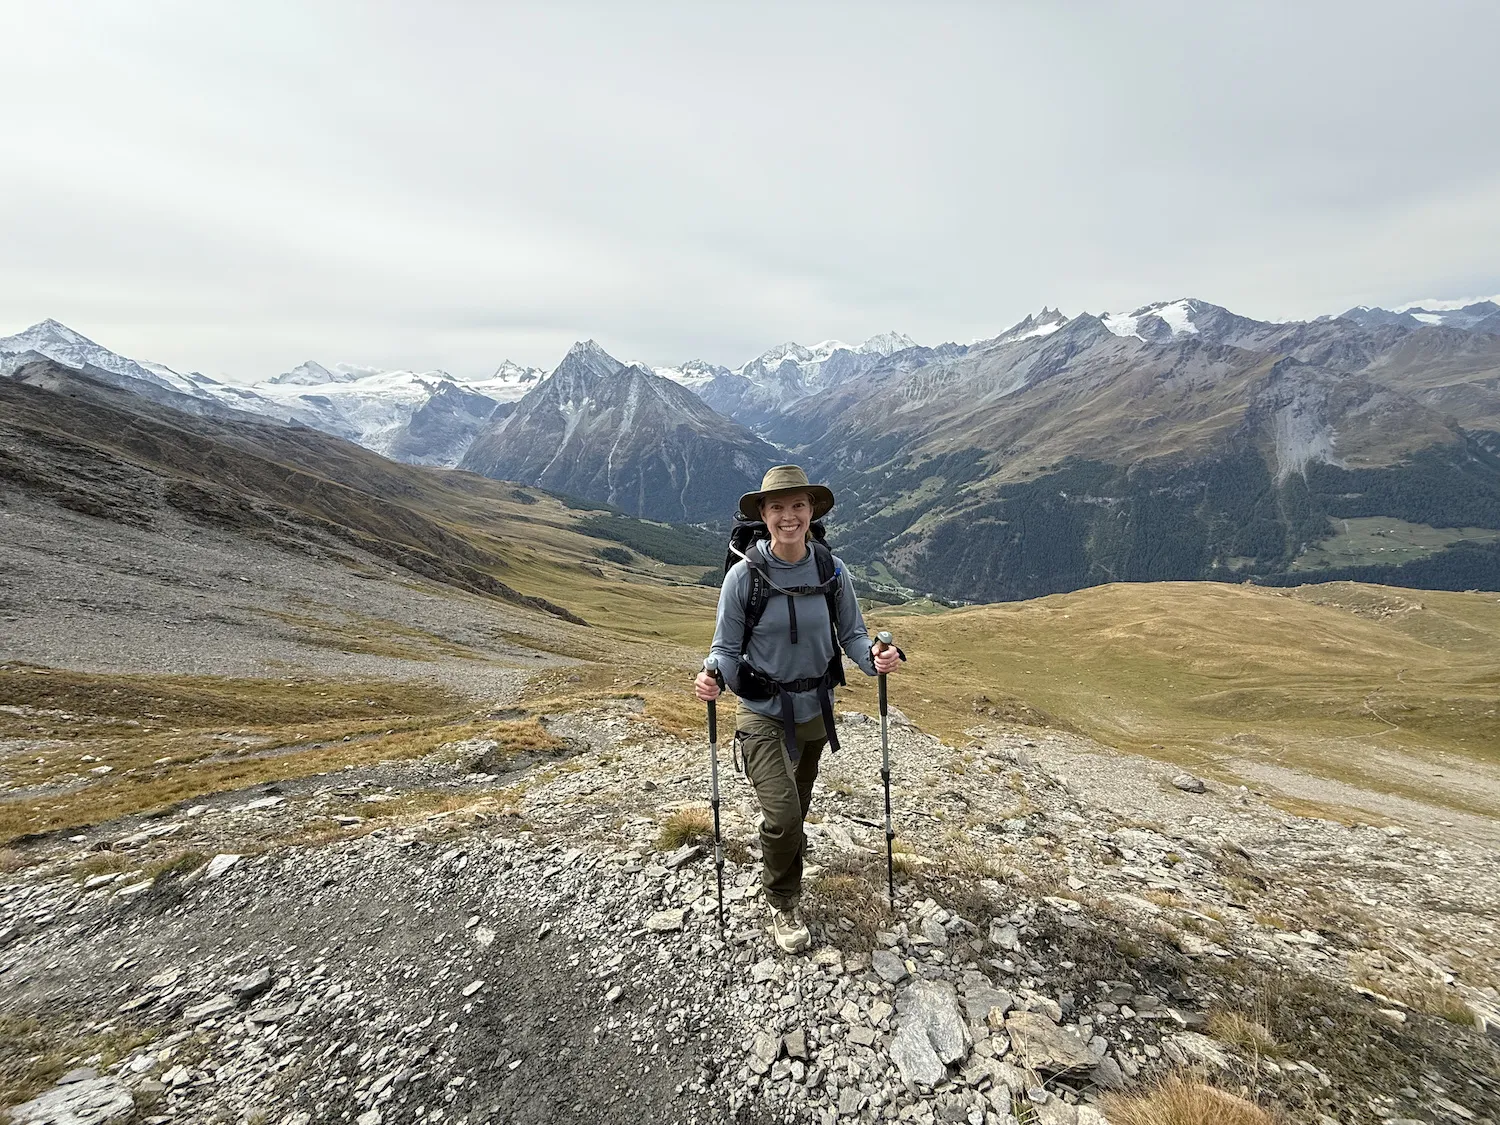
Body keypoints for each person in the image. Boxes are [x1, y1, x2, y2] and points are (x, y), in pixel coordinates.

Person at [694, 465, 903, 953]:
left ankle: (783, 853)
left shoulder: (831, 570)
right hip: (761, 710)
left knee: (798, 809)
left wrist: (875, 661)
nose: (789, 516)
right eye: (777, 507)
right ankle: (783, 901)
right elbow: (725, 647)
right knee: (786, 816)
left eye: (798, 506)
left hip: (815, 710)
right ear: (763, 515)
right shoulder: (743, 578)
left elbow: (852, 634)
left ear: (811, 512)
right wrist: (713, 675)